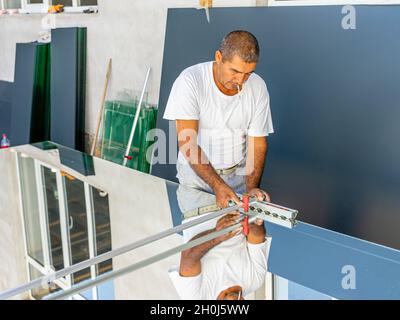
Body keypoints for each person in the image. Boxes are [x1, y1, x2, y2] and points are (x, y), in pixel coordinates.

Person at [163, 30, 274, 209]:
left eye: (248, 73)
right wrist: (218, 185)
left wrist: (252, 188)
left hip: (238, 177)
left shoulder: (258, 87)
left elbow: (258, 143)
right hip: (196, 181)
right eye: (235, 71)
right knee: (204, 237)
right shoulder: (190, 81)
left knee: (236, 233)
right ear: (218, 57)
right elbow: (187, 143)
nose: (241, 80)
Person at [169, 184, 271, 300]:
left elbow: (188, 256)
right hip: (235, 199)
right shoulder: (255, 280)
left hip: (199, 201)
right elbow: (257, 237)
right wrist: (255, 221)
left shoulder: (198, 297)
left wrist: (217, 236)